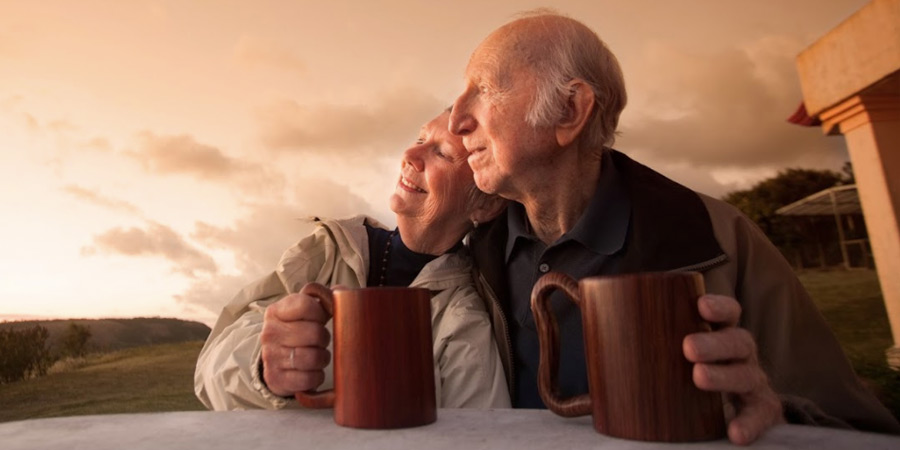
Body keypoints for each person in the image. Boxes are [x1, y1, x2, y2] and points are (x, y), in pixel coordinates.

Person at [447, 10, 900, 445]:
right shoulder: (473, 250)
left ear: (570, 110)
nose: (456, 119)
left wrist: (779, 418)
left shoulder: (720, 237)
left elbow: (856, 428)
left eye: (484, 89)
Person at [194, 109, 510, 410]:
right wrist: (262, 367)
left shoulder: (462, 318)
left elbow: (477, 434)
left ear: (485, 205)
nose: (410, 156)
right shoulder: (327, 251)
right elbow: (209, 372)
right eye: (419, 139)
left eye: (442, 153)